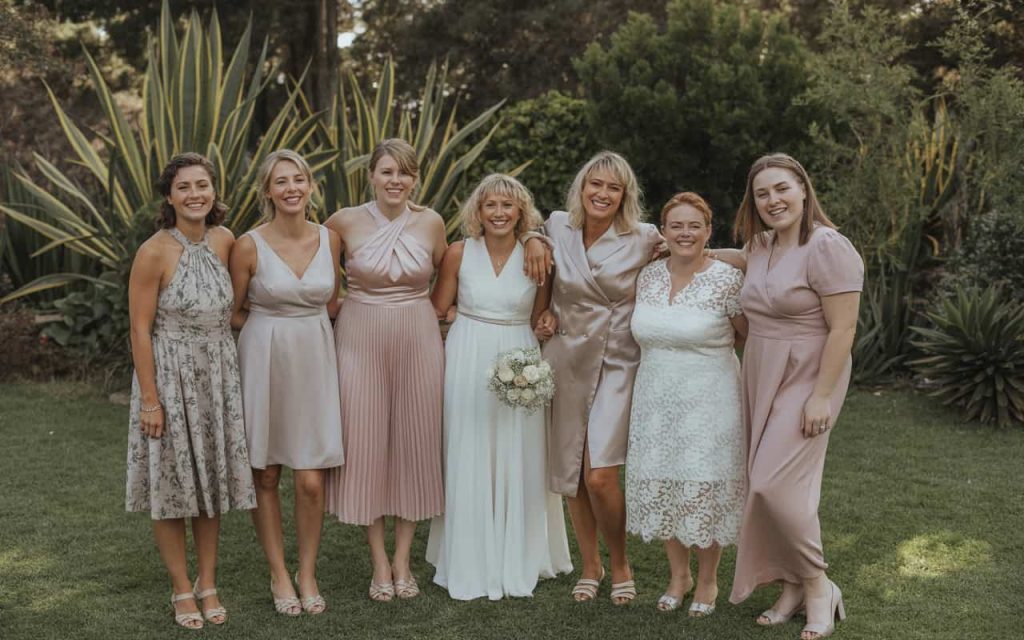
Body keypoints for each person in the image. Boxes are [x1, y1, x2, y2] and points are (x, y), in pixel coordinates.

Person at [729, 153, 862, 640]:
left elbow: (844, 326)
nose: (773, 200)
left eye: (782, 189)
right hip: (761, 370)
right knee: (764, 485)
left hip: (809, 373)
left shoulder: (828, 246)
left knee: (771, 484)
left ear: (803, 190)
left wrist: (821, 396)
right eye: (762, 193)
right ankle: (790, 586)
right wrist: (683, 248)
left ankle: (818, 583)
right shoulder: (759, 244)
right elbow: (738, 260)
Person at [425, 174, 573, 600]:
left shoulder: (539, 257)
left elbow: (540, 317)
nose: (499, 213)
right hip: (467, 355)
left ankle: (521, 550)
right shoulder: (458, 253)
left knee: (519, 449)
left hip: (518, 351)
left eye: (508, 206)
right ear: (478, 210)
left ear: (521, 212)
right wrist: (452, 314)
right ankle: (470, 551)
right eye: (491, 205)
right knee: (469, 446)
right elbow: (437, 307)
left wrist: (546, 323)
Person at [125, 153, 256, 630]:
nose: (195, 194)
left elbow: (238, 312)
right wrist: (151, 400)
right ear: (169, 196)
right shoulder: (154, 251)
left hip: (218, 375)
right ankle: (181, 588)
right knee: (172, 484)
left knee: (209, 484)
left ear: (214, 191)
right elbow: (139, 330)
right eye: (184, 187)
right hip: (170, 375)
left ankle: (208, 581)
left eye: (203, 185)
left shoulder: (226, 241)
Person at [531, 151, 662, 604]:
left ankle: (620, 562)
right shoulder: (555, 226)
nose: (602, 194)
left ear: (625, 195)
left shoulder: (644, 237)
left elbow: (692, 249)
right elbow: (527, 235)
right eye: (595, 185)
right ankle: (591, 565)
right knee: (570, 469)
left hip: (617, 362)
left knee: (600, 474)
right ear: (581, 188)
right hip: (565, 357)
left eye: (613, 187)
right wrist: (531, 238)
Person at [323, 138, 447, 601]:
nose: (397, 181)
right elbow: (315, 276)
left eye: (406, 173)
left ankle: (403, 560)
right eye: (388, 172)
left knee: (416, 439)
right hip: (359, 336)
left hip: (418, 333)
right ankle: (378, 562)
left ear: (416, 179)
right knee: (366, 442)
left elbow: (452, 274)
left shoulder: (432, 222)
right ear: (371, 175)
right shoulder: (342, 222)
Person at [229, 150, 344, 616]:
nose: (292, 188)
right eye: (281, 181)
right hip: (264, 356)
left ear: (310, 185)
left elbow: (334, 301)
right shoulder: (247, 245)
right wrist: (268, 334)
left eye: (299, 179)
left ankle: (308, 572)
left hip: (316, 355)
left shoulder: (332, 238)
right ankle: (279, 573)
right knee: (267, 472)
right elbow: (233, 310)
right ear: (268, 191)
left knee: (312, 479)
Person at [625, 192, 747, 616]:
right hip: (655, 398)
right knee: (663, 482)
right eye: (676, 225)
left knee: (703, 487)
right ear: (664, 231)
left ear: (708, 231)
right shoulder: (648, 276)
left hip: (710, 399)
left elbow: (747, 335)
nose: (685, 232)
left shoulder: (727, 280)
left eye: (694, 225)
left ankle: (708, 581)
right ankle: (678, 575)